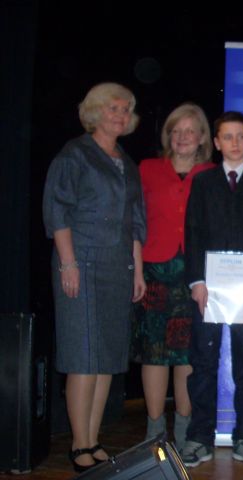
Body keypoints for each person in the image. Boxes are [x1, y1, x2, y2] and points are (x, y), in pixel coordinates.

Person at [42, 82, 146, 473]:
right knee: (83, 357)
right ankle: (79, 444)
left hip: (118, 266)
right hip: (81, 263)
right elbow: (57, 211)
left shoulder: (126, 162)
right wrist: (67, 264)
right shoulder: (75, 154)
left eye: (126, 109)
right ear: (95, 112)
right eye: (113, 108)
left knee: (105, 359)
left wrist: (137, 269)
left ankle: (94, 439)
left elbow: (135, 222)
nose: (120, 115)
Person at [179, 111, 243, 468]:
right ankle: (199, 438)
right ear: (217, 142)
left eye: (241, 136)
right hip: (208, 289)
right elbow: (192, 232)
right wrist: (196, 281)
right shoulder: (203, 182)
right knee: (203, 363)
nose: (234, 143)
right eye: (227, 137)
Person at [132, 103, 214, 450]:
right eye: (176, 130)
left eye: (190, 130)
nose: (182, 137)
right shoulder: (147, 169)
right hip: (154, 270)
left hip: (196, 274)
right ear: (168, 136)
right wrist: (136, 269)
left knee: (186, 354)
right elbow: (134, 223)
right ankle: (154, 431)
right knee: (154, 352)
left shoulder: (212, 173)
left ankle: (183, 429)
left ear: (202, 137)